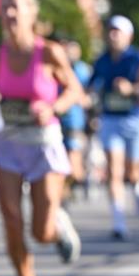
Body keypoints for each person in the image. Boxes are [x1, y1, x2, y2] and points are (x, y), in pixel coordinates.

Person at [0, 0, 82, 276]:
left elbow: (74, 91)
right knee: (11, 219)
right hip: (9, 143)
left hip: (43, 146)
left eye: (15, 8)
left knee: (41, 231)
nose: (9, 14)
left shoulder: (50, 52)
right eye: (4, 8)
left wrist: (52, 106)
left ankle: (59, 226)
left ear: (31, 13)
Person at [90, 16, 139, 239]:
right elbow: (92, 85)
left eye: (119, 32)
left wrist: (131, 89)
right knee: (114, 170)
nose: (113, 35)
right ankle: (118, 221)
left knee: (133, 171)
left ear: (129, 35)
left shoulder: (138, 59)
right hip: (111, 118)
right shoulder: (102, 60)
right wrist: (91, 97)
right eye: (111, 31)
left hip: (135, 117)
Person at [58, 39, 92, 199]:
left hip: (75, 123)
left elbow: (89, 94)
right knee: (59, 163)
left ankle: (75, 182)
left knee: (74, 167)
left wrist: (82, 98)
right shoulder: (55, 69)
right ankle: (61, 195)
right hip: (56, 123)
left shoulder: (82, 70)